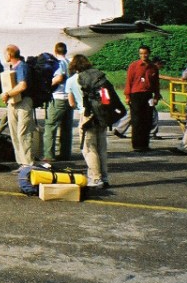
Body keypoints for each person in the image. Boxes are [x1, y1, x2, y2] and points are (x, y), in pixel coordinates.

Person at [66, 54, 109, 188]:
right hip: (101, 114)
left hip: (86, 115)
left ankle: (96, 178)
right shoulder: (97, 77)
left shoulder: (72, 81)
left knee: (89, 148)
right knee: (101, 147)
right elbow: (106, 98)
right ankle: (104, 177)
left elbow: (71, 103)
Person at [112, 57, 164, 139]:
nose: (161, 66)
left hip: (139, 94)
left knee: (133, 113)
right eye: (160, 64)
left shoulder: (149, 69)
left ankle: (119, 130)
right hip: (140, 94)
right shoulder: (149, 69)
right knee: (152, 114)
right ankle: (151, 133)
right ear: (156, 64)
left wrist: (156, 94)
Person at [2, 44, 35, 168]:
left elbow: (23, 85)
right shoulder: (14, 67)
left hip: (23, 102)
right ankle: (21, 162)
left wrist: (8, 94)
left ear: (10, 55)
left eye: (5, 53)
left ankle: (28, 163)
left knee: (23, 133)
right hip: (13, 103)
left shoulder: (22, 67)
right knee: (15, 133)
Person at [124, 45, 161, 152]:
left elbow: (156, 84)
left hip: (148, 95)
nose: (143, 55)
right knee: (136, 120)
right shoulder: (133, 66)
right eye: (141, 53)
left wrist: (156, 96)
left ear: (149, 53)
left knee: (147, 120)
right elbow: (129, 81)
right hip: (136, 95)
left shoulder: (153, 67)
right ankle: (136, 145)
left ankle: (145, 144)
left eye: (145, 53)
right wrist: (127, 96)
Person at [41, 42, 73, 161]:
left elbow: (59, 77)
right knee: (66, 127)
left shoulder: (58, 63)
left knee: (50, 126)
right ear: (65, 51)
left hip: (58, 96)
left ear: (55, 51)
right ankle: (65, 153)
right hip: (68, 98)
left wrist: (48, 85)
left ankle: (49, 155)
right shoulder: (70, 63)